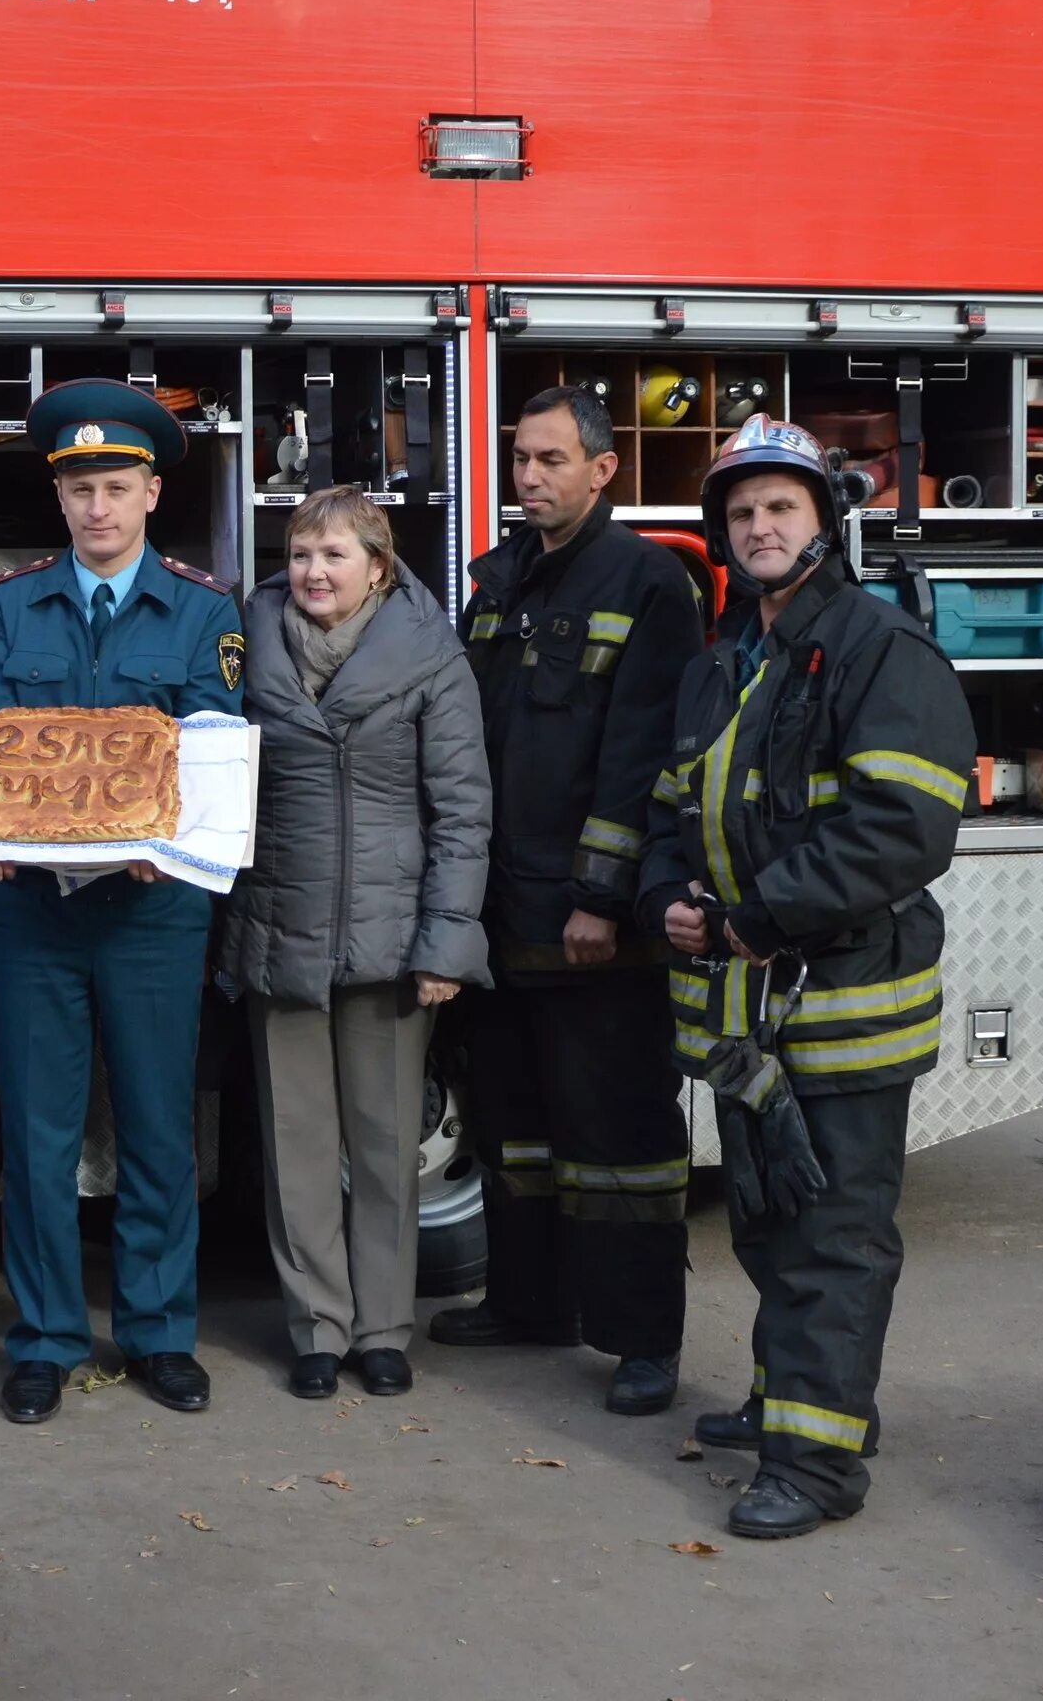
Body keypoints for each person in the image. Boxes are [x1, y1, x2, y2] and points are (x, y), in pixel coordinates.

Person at [638, 416, 974, 1539]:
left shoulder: (883, 652)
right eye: (740, 512)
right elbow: (671, 811)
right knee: (772, 1220)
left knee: (834, 1230)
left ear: (825, 521)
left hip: (843, 1000)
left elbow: (903, 829)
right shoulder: (724, 662)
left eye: (780, 507)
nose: (758, 526)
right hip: (748, 1006)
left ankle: (818, 1465)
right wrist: (667, 900)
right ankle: (801, 1401)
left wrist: (753, 917)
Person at [0, 380, 240, 1426]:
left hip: (154, 910)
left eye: (116, 485)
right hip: (32, 912)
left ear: (152, 491)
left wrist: (167, 844)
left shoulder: (204, 610)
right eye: (79, 487)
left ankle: (161, 1331)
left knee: (161, 1128)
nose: (96, 507)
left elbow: (212, 751)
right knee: (36, 1136)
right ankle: (43, 1339)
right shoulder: (12, 605)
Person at [441, 384, 702, 1417]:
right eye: (520, 459)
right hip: (504, 919)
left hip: (595, 932)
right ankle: (529, 1300)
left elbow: (645, 754)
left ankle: (642, 1340)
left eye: (550, 459)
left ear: (604, 469)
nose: (529, 476)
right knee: (517, 1130)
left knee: (619, 1142)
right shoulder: (499, 583)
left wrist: (603, 892)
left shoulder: (647, 583)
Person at [217, 488, 491, 1400]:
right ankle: (315, 1328)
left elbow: (461, 810)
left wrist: (445, 942)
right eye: (299, 555)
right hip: (279, 925)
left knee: (382, 1145)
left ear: (378, 565)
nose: (312, 574)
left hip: (392, 933)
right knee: (294, 1144)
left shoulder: (429, 653)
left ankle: (381, 1327)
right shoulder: (243, 638)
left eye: (334, 555)